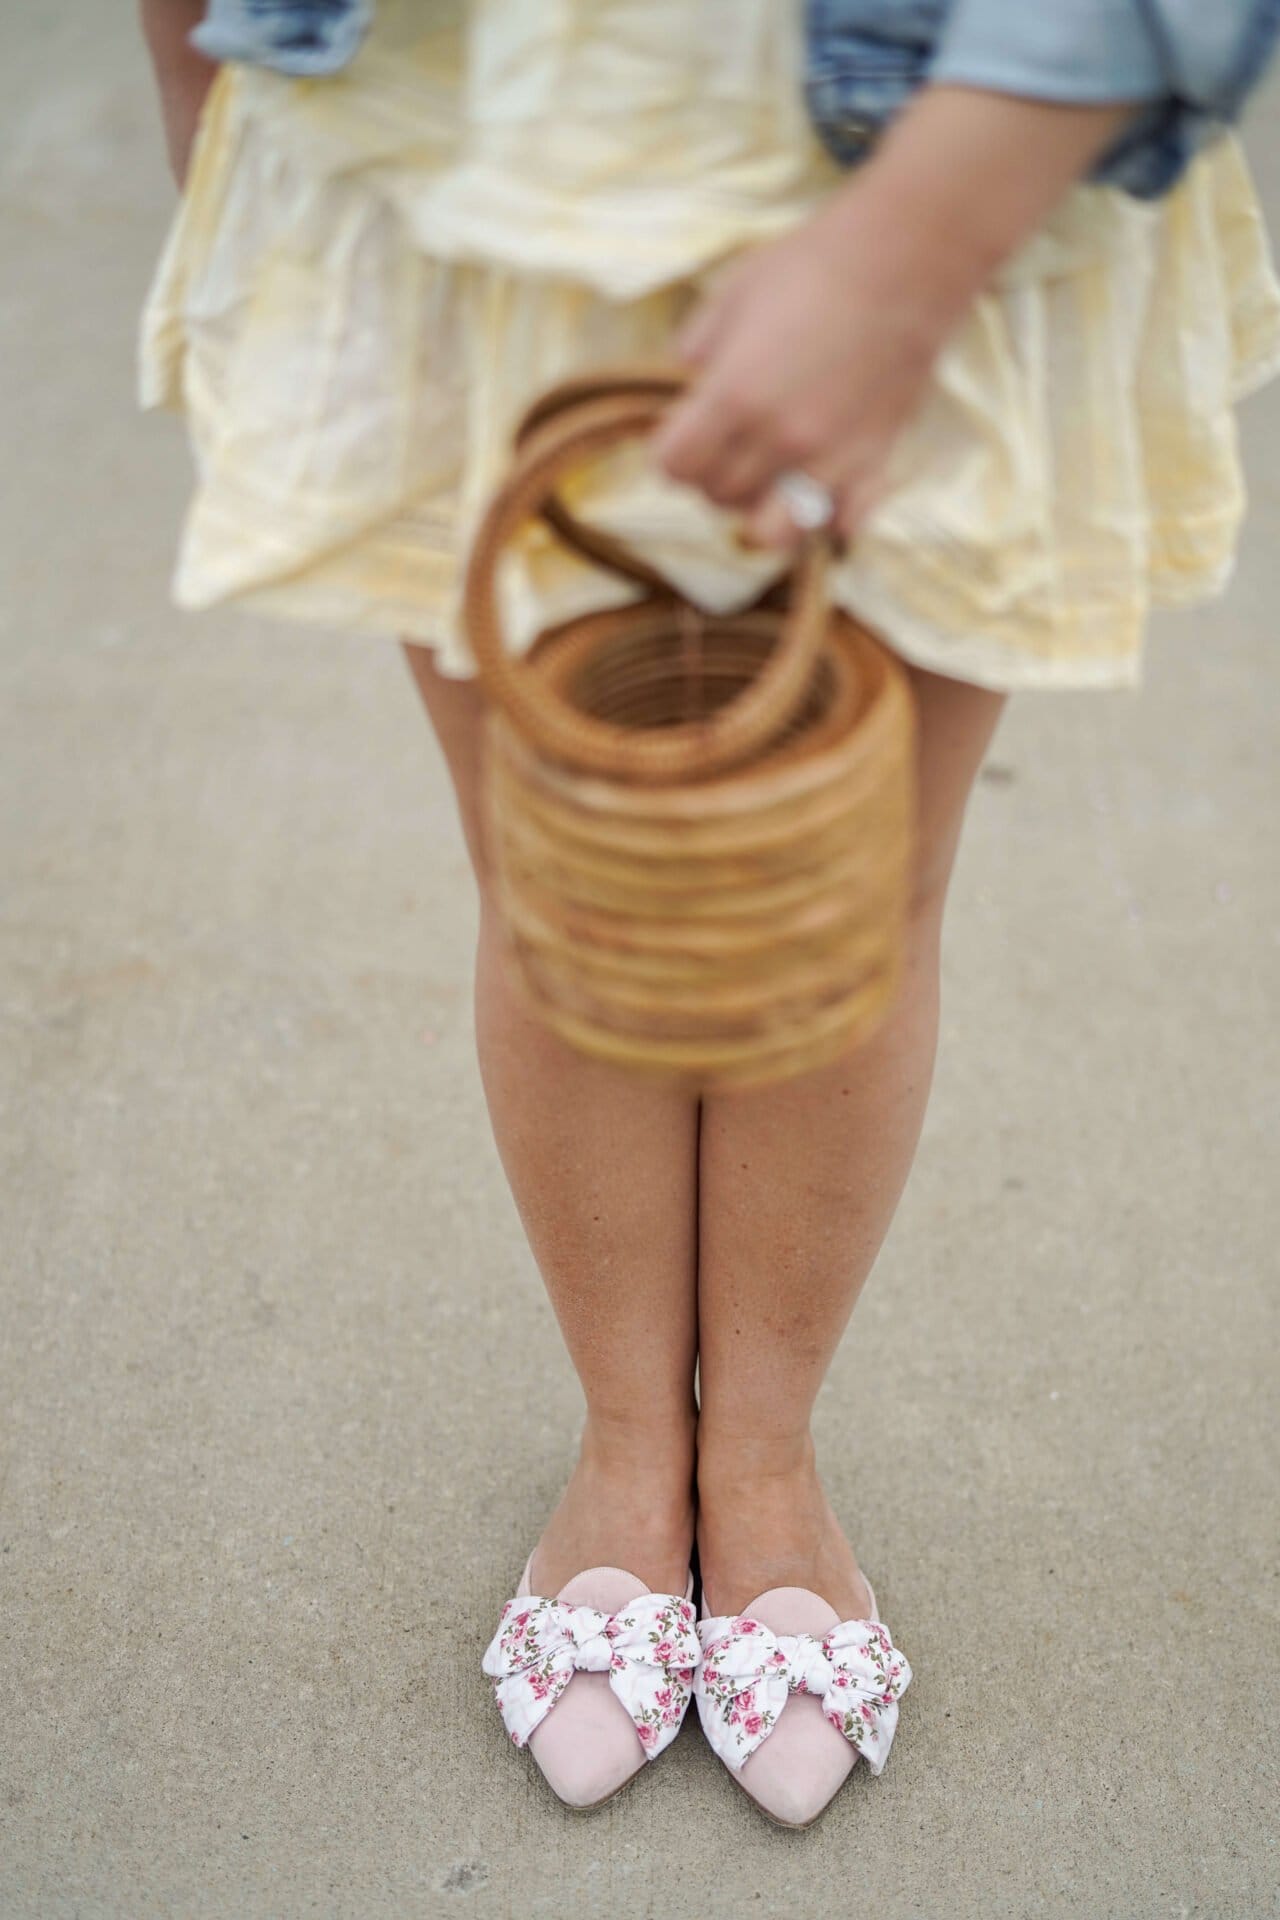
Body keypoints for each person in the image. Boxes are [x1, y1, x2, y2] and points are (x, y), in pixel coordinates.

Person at [139, 0, 1280, 1826]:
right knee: (564, 887)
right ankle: (624, 1450)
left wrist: (925, 235)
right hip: (451, 124)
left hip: (938, 116)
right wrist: (202, 65)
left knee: (844, 899)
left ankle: (760, 1464)